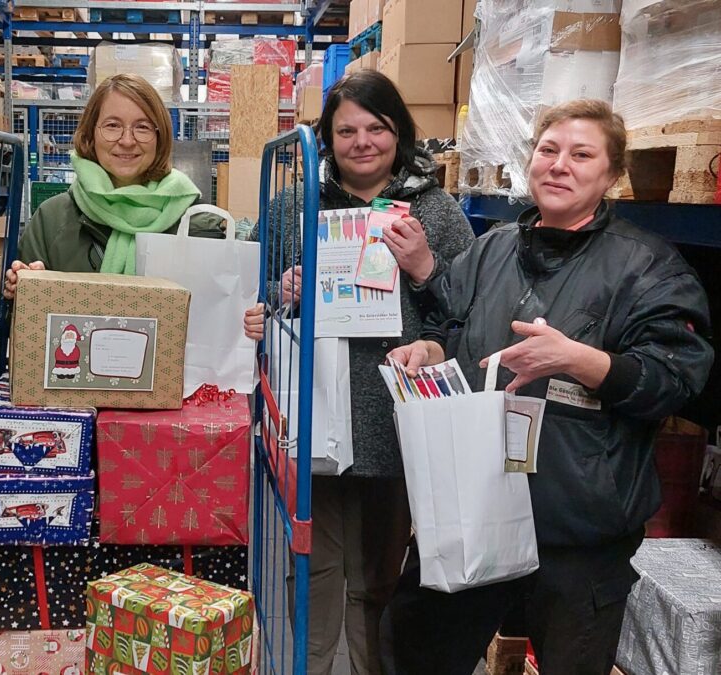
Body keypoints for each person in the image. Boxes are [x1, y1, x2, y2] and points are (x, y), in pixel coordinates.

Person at [383, 99, 714, 674]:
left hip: (577, 533)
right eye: (549, 150)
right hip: (474, 515)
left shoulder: (648, 268)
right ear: (531, 162)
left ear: (612, 176)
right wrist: (429, 351)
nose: (560, 165)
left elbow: (675, 379)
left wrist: (580, 360)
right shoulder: (493, 249)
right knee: (413, 648)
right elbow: (452, 327)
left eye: (582, 155)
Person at [242, 71, 476, 674]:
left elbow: (470, 312)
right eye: (346, 129)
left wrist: (425, 268)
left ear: (399, 134)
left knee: (377, 575)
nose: (362, 141)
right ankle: (311, 665)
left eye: (377, 128)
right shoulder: (296, 205)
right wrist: (281, 289)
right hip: (311, 411)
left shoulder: (435, 211)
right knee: (314, 566)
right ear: (326, 137)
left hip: (394, 416)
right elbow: (257, 290)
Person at [3, 73, 224, 296]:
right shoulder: (51, 220)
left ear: (160, 137)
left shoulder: (196, 223)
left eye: (143, 127)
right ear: (91, 135)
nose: (127, 141)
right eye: (112, 125)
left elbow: (223, 305)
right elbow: (22, 318)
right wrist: (23, 286)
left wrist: (253, 317)